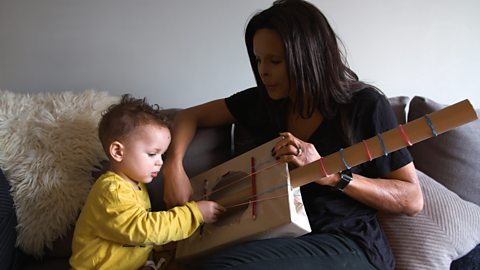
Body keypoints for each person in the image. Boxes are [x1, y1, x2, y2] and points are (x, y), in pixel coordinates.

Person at [162, 0, 424, 269]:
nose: (263, 71)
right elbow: (187, 116)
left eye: (275, 61)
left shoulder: (364, 105)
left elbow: (412, 199)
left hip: (348, 243)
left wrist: (332, 175)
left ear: (308, 56)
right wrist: (173, 167)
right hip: (276, 236)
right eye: (258, 60)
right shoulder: (262, 102)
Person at [69, 94, 225, 270]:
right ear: (118, 152)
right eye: (152, 154)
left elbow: (133, 236)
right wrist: (194, 214)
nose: (159, 162)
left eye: (162, 155)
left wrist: (162, 246)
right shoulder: (111, 191)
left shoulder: (137, 186)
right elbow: (143, 229)